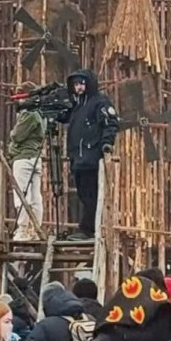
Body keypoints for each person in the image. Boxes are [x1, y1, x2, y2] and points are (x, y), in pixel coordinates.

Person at [59, 69, 119, 241]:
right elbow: (63, 117)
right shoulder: (77, 107)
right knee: (83, 195)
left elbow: (110, 123)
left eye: (82, 83)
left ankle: (88, 229)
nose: (79, 87)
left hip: (92, 157)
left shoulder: (100, 102)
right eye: (76, 84)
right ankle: (87, 228)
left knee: (91, 195)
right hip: (78, 159)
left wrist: (106, 143)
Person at [7, 84, 46, 241]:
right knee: (35, 196)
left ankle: (23, 229)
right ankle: (36, 229)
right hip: (35, 157)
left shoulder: (30, 114)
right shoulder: (41, 113)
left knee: (22, 195)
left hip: (24, 157)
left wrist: (13, 134)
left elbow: (17, 135)